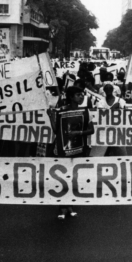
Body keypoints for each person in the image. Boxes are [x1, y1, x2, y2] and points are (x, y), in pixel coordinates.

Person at [53, 86, 94, 220]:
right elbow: (56, 130)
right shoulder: (62, 111)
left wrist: (78, 133)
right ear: (71, 97)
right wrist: (49, 116)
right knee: (63, 178)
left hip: (79, 149)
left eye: (82, 94)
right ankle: (61, 207)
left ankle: (70, 207)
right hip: (64, 150)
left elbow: (91, 130)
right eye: (78, 94)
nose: (81, 96)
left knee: (74, 178)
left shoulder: (86, 111)